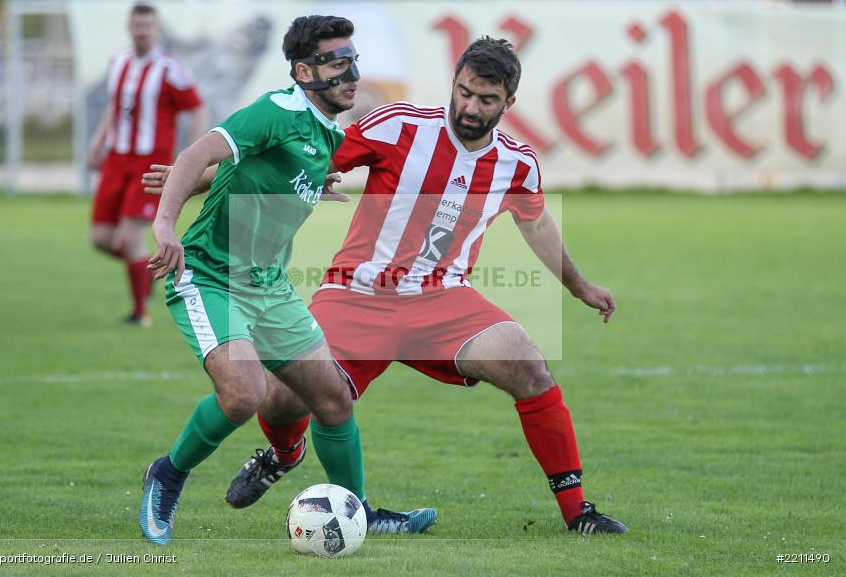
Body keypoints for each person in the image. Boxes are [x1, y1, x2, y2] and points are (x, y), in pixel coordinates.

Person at [146, 38, 626, 535]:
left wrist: (578, 285)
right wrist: (196, 181)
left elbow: (536, 223)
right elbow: (296, 160)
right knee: (283, 399)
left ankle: (578, 514)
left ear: (509, 103)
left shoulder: (517, 164)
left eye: (485, 100)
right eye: (463, 92)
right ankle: (284, 454)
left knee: (530, 366)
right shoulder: (399, 125)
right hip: (357, 293)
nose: (469, 107)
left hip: (444, 300)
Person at [138, 15, 434, 547]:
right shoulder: (279, 109)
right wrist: (165, 221)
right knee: (243, 394)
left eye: (352, 59)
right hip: (209, 275)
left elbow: (244, 174)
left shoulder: (326, 135)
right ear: (303, 71)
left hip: (269, 288)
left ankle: (358, 510)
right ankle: (167, 474)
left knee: (335, 399)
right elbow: (201, 152)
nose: (351, 72)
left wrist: (308, 188)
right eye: (336, 62)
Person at [88, 3, 208, 327]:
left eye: (148, 25)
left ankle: (140, 312)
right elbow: (115, 107)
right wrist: (98, 142)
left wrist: (190, 157)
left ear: (156, 29)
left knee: (129, 240)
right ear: (129, 27)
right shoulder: (119, 61)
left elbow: (197, 109)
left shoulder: (170, 68)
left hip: (149, 164)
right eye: (137, 25)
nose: (142, 30)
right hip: (116, 159)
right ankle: (148, 271)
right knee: (100, 238)